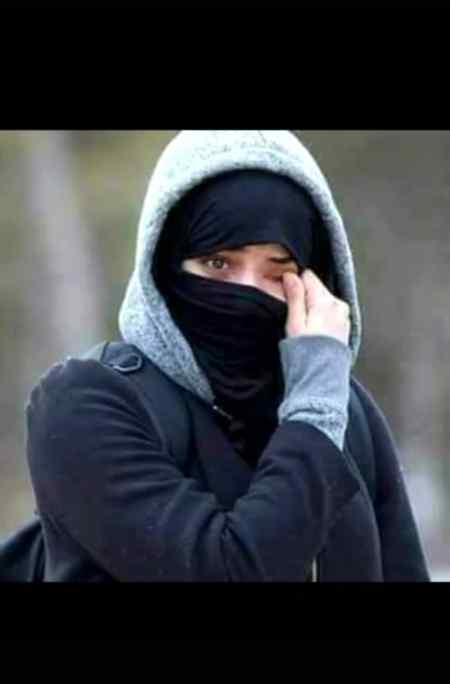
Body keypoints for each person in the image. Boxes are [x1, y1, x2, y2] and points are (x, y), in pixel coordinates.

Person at [25, 130, 430, 582]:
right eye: (218, 264)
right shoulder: (87, 403)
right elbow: (231, 570)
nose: (246, 293)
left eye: (278, 273)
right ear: (164, 264)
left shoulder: (345, 411)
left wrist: (320, 397)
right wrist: (315, 415)